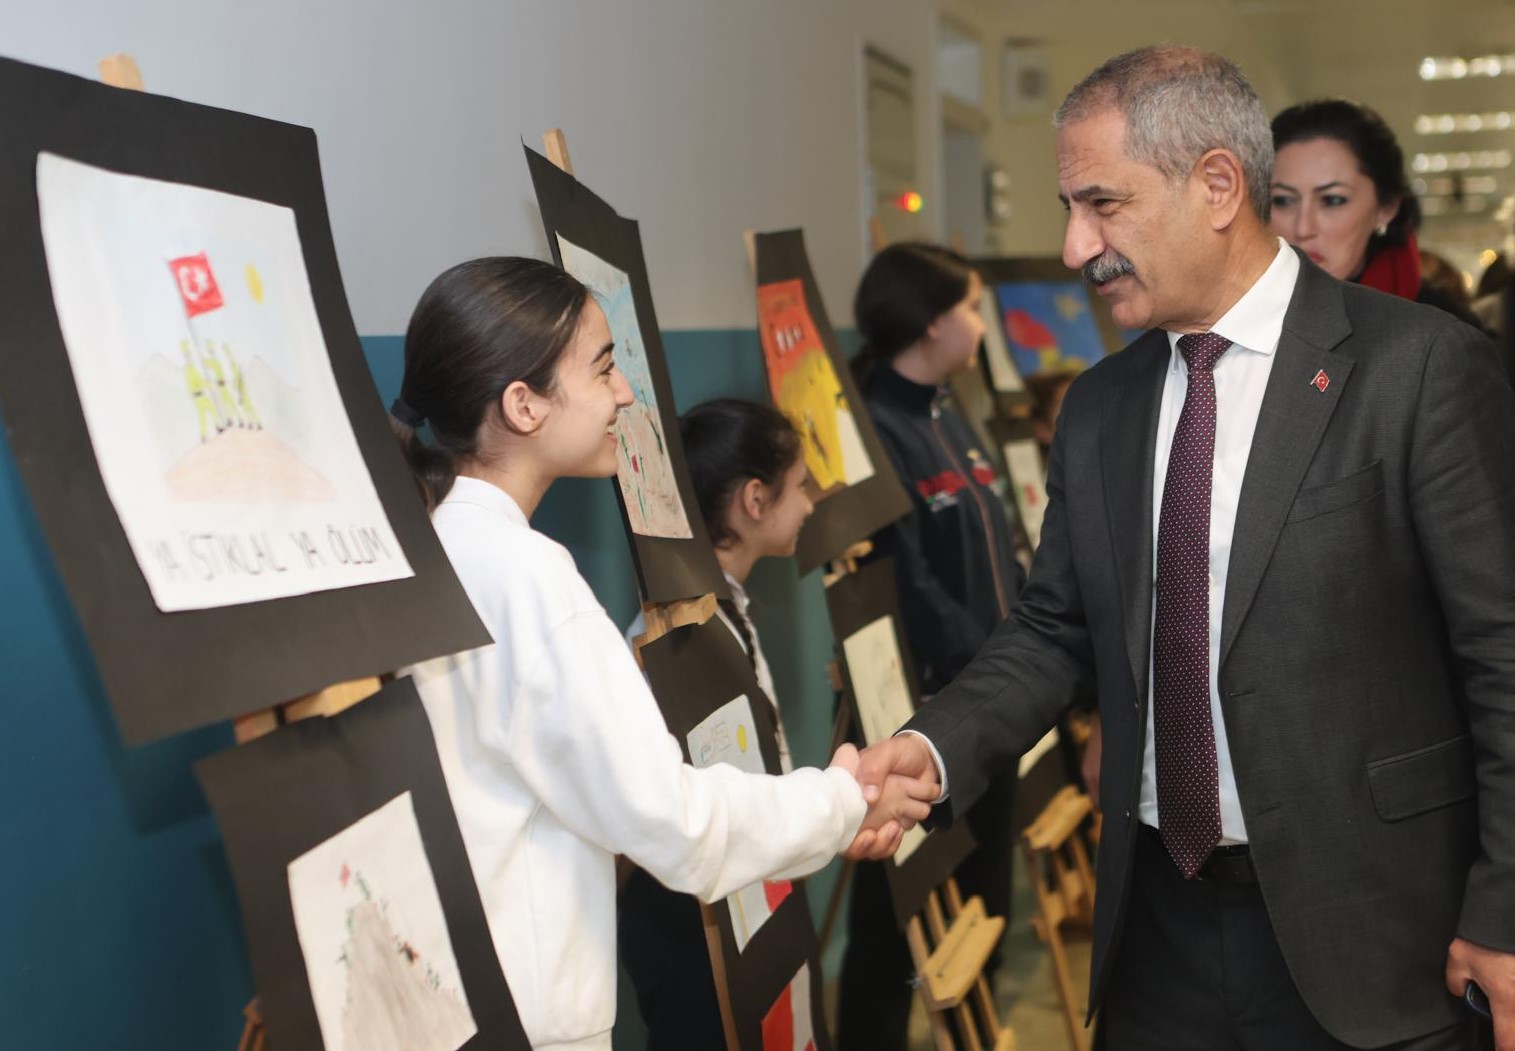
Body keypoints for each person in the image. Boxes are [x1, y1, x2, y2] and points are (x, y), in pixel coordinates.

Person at [854, 46, 1515, 1050]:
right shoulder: (1100, 406)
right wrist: (933, 748)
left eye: (1102, 204)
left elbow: (1501, 653)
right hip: (1157, 928)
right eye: (1070, 209)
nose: (1075, 247)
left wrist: (1503, 909)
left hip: (1375, 937)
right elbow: (1053, 627)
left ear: (1215, 186)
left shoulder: (1417, 369)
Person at [391, 257, 934, 1050]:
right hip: (525, 1011)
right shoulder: (527, 574)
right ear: (523, 403)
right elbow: (675, 824)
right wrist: (842, 799)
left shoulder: (433, 545)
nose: (624, 393)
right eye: (602, 367)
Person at [838, 242, 1025, 1051]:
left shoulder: (950, 411)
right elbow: (905, 584)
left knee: (985, 907)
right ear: (928, 324)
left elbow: (1000, 550)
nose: (980, 324)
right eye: (971, 307)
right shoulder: (875, 429)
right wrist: (995, 675)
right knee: (895, 928)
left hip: (992, 706)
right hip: (923, 717)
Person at [618, 397, 814, 1049]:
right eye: (799, 486)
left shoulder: (723, 611)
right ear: (754, 500)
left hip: (738, 893)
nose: (810, 504)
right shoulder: (670, 639)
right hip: (688, 922)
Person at [1268, 98, 1486, 330]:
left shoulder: (1443, 330)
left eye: (1333, 200)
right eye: (1283, 200)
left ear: (1386, 209)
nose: (1303, 228)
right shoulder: (1243, 315)